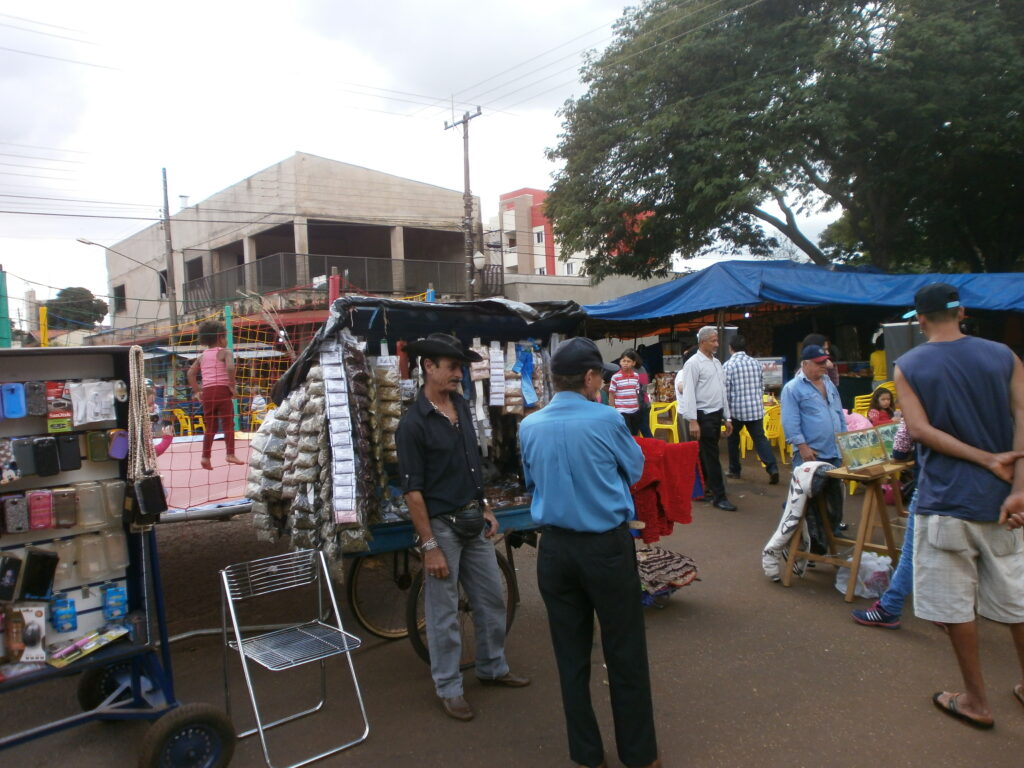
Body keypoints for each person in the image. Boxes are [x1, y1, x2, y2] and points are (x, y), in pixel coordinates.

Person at [519, 337, 660, 768]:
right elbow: (635, 468)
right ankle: (638, 755)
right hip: (605, 549)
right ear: (589, 377)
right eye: (601, 374)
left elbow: (530, 479)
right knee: (625, 652)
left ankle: (586, 753)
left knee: (571, 656)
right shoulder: (606, 419)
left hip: (555, 551)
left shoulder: (530, 425)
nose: (603, 381)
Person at [894, 282, 1024, 729]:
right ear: (962, 311)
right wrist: (1017, 486)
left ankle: (976, 701)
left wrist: (984, 458)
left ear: (921, 319)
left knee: (954, 607)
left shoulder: (908, 365)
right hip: (1003, 504)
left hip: (944, 500)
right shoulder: (1005, 355)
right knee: (1017, 600)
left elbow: (918, 430)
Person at [396, 333, 529, 722]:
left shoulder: (464, 407)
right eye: (452, 367)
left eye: (460, 367)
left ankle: (492, 668)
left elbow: (473, 465)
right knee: (443, 612)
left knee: (490, 599)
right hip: (443, 527)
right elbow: (413, 493)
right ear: (429, 368)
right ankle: (449, 687)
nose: (459, 373)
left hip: (473, 519)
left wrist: (486, 505)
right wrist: (430, 545)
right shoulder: (412, 423)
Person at [780, 344, 846, 532]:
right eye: (818, 363)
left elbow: (838, 412)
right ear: (805, 364)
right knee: (807, 503)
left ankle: (832, 535)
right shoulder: (792, 388)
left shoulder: (828, 383)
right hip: (810, 454)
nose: (824, 366)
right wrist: (802, 447)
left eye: (824, 362)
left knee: (834, 498)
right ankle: (809, 543)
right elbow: (790, 421)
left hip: (833, 451)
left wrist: (844, 442)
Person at [678, 326, 736, 510]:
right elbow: (688, 393)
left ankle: (706, 488)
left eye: (717, 340)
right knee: (711, 455)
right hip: (704, 415)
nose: (717, 344)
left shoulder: (716, 363)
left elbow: (722, 391)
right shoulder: (693, 364)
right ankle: (719, 496)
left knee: (707, 454)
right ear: (702, 342)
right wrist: (693, 420)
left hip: (716, 413)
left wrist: (727, 417)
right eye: (713, 340)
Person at [187, 320, 244, 470]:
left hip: (208, 392)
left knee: (210, 426)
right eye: (225, 337)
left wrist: (197, 391)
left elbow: (190, 373)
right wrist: (232, 385)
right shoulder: (225, 352)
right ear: (220, 337)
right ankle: (230, 454)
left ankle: (205, 457)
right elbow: (231, 367)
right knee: (228, 423)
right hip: (222, 390)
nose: (226, 340)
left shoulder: (202, 356)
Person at [723, 335, 779, 485]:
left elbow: (726, 391)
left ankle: (735, 470)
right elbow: (762, 386)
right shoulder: (755, 363)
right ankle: (772, 468)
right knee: (760, 439)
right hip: (755, 409)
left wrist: (726, 415)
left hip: (736, 410)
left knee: (733, 441)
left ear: (731, 348)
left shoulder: (728, 366)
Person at [608, 350, 645, 435]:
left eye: (628, 361)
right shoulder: (615, 377)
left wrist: (638, 406)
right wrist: (612, 408)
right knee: (626, 434)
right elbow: (611, 393)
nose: (625, 363)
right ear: (620, 362)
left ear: (633, 363)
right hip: (622, 411)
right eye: (623, 361)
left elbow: (637, 392)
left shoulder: (636, 376)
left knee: (635, 434)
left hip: (635, 410)